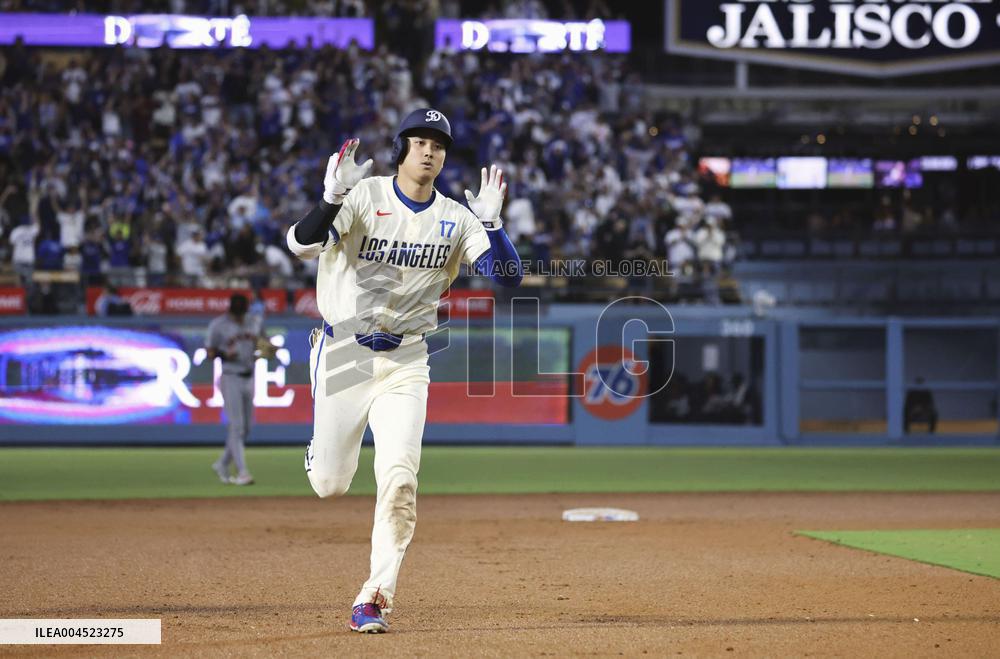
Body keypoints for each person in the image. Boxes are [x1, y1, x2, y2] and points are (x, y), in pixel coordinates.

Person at [285, 108, 522, 634]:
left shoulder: (458, 218)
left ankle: (374, 597)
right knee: (329, 484)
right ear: (401, 148)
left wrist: (492, 224)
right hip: (345, 351)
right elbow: (300, 244)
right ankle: (318, 451)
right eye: (419, 141)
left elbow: (507, 278)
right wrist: (331, 200)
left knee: (399, 481)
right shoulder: (364, 195)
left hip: (409, 359)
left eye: (438, 143)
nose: (429, 150)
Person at [205, 293, 271, 486]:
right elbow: (209, 351)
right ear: (231, 309)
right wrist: (224, 353)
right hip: (230, 376)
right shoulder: (218, 325)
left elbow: (265, 344)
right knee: (237, 426)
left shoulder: (254, 322)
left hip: (250, 376)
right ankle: (242, 472)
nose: (241, 316)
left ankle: (222, 463)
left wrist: (265, 351)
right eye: (238, 313)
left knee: (246, 428)